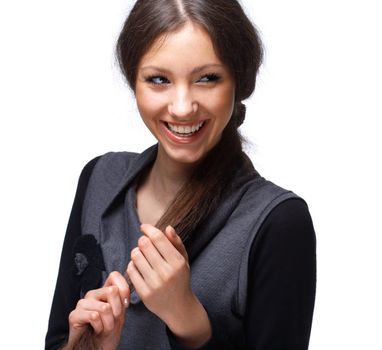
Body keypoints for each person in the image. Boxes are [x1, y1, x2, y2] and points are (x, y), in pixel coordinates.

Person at [45, 0, 316, 349]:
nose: (183, 106)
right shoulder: (100, 178)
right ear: (134, 82)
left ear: (239, 82)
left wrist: (189, 319)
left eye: (207, 78)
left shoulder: (278, 222)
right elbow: (58, 338)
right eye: (159, 79)